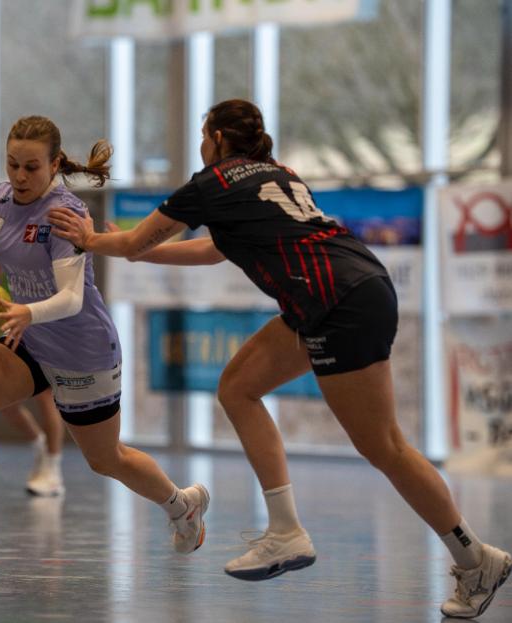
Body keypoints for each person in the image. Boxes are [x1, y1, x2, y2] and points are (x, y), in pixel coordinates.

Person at [48, 99, 511, 620]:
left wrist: (92, 239)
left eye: (203, 135)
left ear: (217, 138)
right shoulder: (277, 173)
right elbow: (212, 251)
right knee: (238, 388)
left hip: (336, 300)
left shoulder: (212, 182)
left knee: (384, 446)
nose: (200, 145)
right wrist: (128, 247)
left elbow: (135, 240)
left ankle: (475, 559)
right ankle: (285, 528)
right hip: (350, 287)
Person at [0, 115, 209, 568]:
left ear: (55, 164)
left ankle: (182, 505)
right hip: (30, 338)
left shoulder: (66, 215)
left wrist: (27, 311)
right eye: (12, 164)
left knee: (106, 459)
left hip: (82, 349)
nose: (20, 176)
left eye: (31, 167)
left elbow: (70, 299)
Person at [0, 254, 65, 497]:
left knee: (45, 397)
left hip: (48, 326)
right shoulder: (2, 243)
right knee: (6, 403)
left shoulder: (45, 243)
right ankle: (40, 445)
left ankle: (53, 469)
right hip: (17, 328)